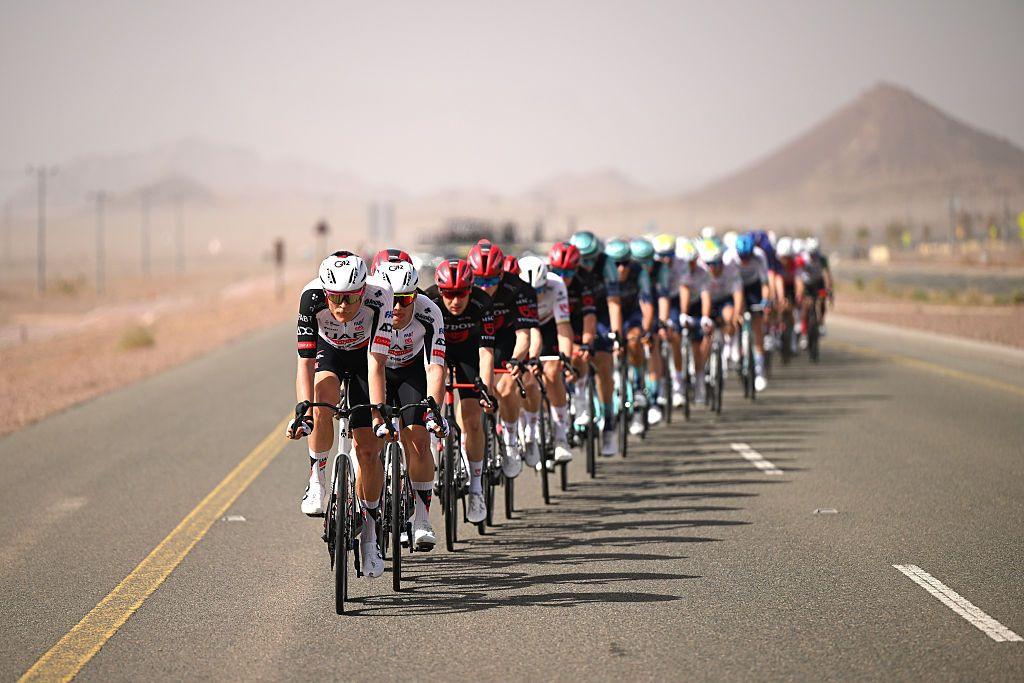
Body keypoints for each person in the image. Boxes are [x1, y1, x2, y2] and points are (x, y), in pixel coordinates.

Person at [286, 250, 395, 579]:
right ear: (325, 291)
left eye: (350, 299)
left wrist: (379, 416)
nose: (343, 307)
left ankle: (371, 536)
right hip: (329, 353)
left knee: (368, 450)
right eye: (336, 298)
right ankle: (316, 481)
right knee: (322, 399)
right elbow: (304, 364)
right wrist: (303, 411)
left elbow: (376, 364)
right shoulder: (310, 297)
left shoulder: (381, 298)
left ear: (364, 291)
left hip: (364, 358)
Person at [372, 254, 448, 551]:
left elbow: (436, 366)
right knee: (367, 441)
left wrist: (434, 409)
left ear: (416, 294)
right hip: (374, 370)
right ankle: (365, 508)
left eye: (405, 299)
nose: (397, 307)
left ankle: (422, 519)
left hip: (411, 373)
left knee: (418, 439)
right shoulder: (370, 307)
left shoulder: (430, 312)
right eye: (392, 299)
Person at [424, 259, 495, 525]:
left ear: (470, 289)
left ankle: (476, 487)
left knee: (473, 420)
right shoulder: (428, 299)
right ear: (440, 291)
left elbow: (486, 352)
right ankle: (430, 451)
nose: (455, 300)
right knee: (427, 408)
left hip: (468, 355)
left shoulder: (482, 303)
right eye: (449, 294)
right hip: (435, 354)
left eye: (461, 293)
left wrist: (485, 390)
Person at [467, 239, 538, 474]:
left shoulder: (517, 289)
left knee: (507, 387)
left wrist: (517, 359)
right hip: (475, 342)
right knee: (469, 393)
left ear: (502, 274)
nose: (485, 287)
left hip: (506, 340)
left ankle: (509, 440)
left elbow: (524, 336)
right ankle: (464, 443)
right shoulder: (464, 291)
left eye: (491, 281)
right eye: (480, 281)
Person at [518, 254, 575, 465]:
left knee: (553, 371)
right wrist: (530, 358)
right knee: (524, 377)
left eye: (540, 290)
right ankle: (528, 422)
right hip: (524, 329)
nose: (536, 295)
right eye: (532, 292)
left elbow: (564, 327)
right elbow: (527, 331)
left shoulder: (557, 285)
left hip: (550, 326)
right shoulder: (515, 290)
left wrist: (566, 359)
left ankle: (561, 436)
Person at [569, 230, 619, 456]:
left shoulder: (607, 265)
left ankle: (609, 424)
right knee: (569, 357)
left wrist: (616, 333)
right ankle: (573, 401)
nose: (587, 264)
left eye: (591, 259)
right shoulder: (569, 267)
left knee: (604, 365)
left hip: (600, 314)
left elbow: (614, 302)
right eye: (583, 259)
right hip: (572, 316)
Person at [603, 238, 656, 436]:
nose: (621, 268)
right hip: (608, 316)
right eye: (616, 264)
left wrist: (646, 330)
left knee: (634, 341)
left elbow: (647, 303)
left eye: (625, 263)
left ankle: (638, 386)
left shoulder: (639, 272)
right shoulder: (604, 274)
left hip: (632, 315)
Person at [549, 241, 598, 431]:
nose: (563, 277)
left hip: (576, 323)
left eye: (568, 273)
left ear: (576, 269)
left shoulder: (583, 282)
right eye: (559, 271)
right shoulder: (547, 279)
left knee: (580, 355)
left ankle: (580, 396)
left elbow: (590, 316)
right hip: (551, 326)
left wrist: (586, 343)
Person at [724, 233, 771, 391]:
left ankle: (759, 371)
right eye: (741, 257)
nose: (744, 261)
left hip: (753, 287)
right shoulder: (729, 257)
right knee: (735, 315)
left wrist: (765, 302)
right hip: (734, 287)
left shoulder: (759, 256)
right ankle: (732, 345)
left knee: (758, 327)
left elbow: (765, 283)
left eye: (747, 258)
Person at [701, 239, 744, 382]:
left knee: (729, 315)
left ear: (721, 262)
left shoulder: (730, 270)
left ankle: (730, 345)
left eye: (716, 264)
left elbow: (738, 294)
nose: (712, 268)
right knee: (706, 330)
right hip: (708, 302)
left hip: (725, 300)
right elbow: (702, 296)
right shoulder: (703, 272)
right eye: (709, 265)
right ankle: (702, 366)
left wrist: (736, 316)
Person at [676, 239, 713, 404]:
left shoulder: (703, 272)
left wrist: (705, 317)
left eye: (692, 262)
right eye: (686, 262)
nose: (689, 266)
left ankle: (699, 380)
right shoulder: (675, 270)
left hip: (696, 306)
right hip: (678, 305)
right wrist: (682, 314)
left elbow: (706, 295)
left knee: (699, 343)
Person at [652, 233, 686, 408]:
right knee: (654, 339)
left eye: (669, 256)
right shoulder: (653, 265)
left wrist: (684, 314)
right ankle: (660, 386)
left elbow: (685, 289)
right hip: (656, 301)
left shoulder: (681, 264)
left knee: (675, 338)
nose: (665, 260)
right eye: (661, 256)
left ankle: (678, 384)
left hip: (674, 301)